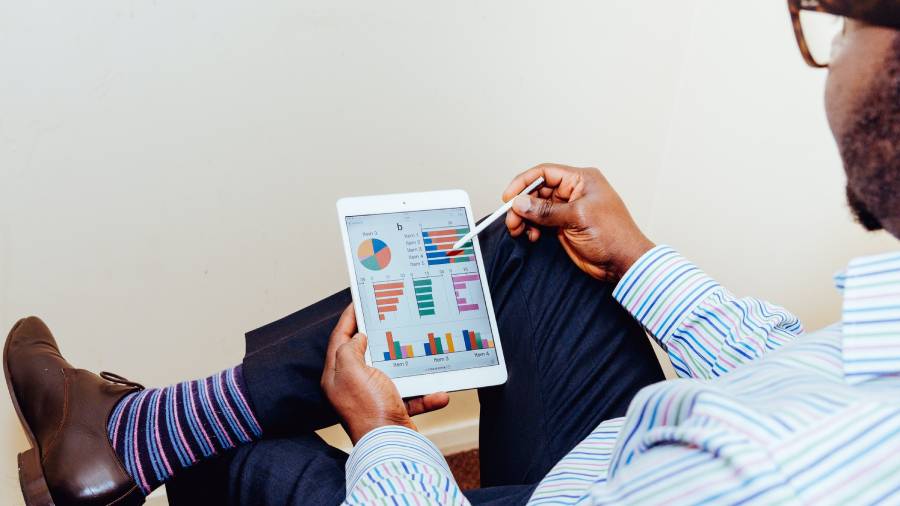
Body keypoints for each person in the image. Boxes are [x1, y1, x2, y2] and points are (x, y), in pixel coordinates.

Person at [6, 0, 900, 504]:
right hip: (633, 463)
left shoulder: (774, 475)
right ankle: (124, 432)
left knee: (243, 463)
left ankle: (140, 435)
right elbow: (795, 368)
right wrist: (635, 257)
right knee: (534, 249)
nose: (833, 56)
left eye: (845, 25)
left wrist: (386, 434)